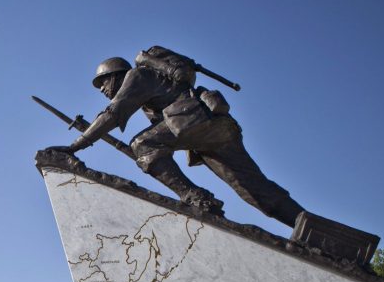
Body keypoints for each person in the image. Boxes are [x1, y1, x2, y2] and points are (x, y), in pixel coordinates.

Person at [52, 47, 305, 227]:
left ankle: (198, 198)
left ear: (116, 74)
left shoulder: (136, 76)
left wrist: (77, 146)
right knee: (252, 189)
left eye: (103, 83)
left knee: (142, 144)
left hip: (197, 124)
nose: (104, 91)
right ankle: (307, 225)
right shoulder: (153, 85)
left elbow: (112, 113)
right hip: (215, 127)